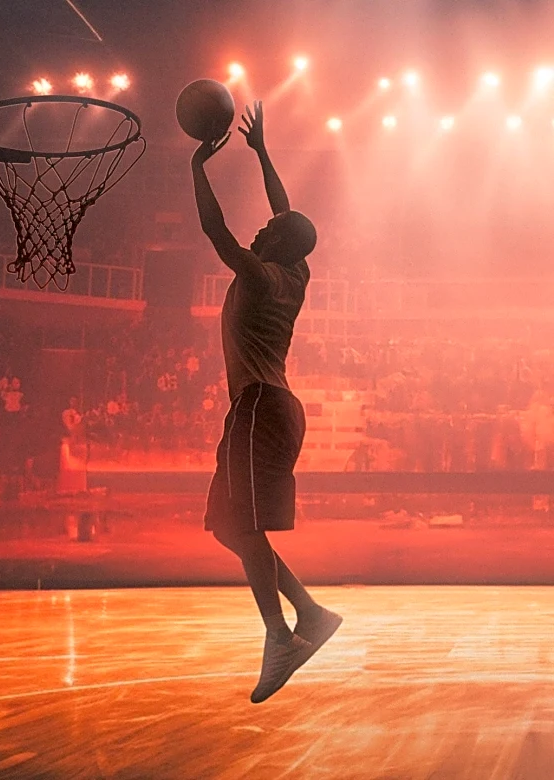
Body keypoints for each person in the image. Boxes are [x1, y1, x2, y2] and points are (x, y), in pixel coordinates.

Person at [190, 101, 342, 704]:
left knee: (244, 525)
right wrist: (260, 153)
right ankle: (308, 613)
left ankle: (280, 636)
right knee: (227, 527)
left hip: (261, 406)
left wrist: (198, 167)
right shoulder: (296, 269)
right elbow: (287, 213)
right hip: (261, 408)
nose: (260, 228)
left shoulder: (263, 275)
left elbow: (216, 232)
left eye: (267, 233)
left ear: (277, 245)